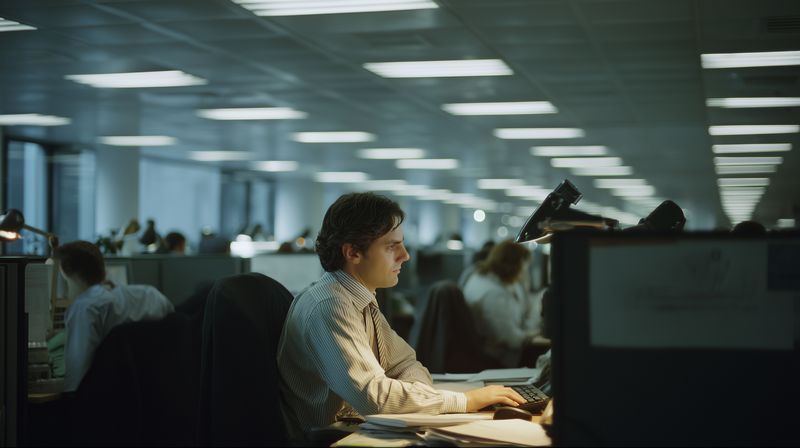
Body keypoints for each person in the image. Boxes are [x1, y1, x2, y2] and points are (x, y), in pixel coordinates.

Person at [277, 192, 525, 442]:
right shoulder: (330, 305)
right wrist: (465, 401)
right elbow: (375, 398)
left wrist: (417, 397)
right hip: (333, 438)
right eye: (391, 246)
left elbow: (406, 363)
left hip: (358, 429)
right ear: (353, 253)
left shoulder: (360, 299)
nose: (405, 255)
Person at [54, 241, 174, 391]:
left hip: (106, 402)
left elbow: (78, 376)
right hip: (157, 395)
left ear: (65, 271)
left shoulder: (86, 308)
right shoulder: (151, 295)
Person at [462, 240, 542, 368]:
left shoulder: (480, 277)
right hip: (498, 360)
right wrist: (538, 333)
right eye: (524, 265)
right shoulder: (494, 294)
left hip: (495, 353)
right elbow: (513, 340)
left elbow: (522, 315)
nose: (525, 270)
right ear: (513, 265)